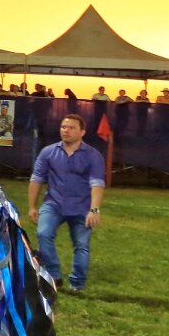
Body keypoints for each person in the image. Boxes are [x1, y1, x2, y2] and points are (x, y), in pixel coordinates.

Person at [28, 114, 105, 291]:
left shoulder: (93, 156)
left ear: (82, 132)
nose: (66, 130)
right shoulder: (48, 152)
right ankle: (54, 275)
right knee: (43, 234)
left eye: (71, 127)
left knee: (81, 246)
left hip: (82, 207)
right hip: (53, 204)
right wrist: (32, 206)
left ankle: (77, 283)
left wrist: (94, 210)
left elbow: (97, 184)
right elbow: (37, 179)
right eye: (63, 127)